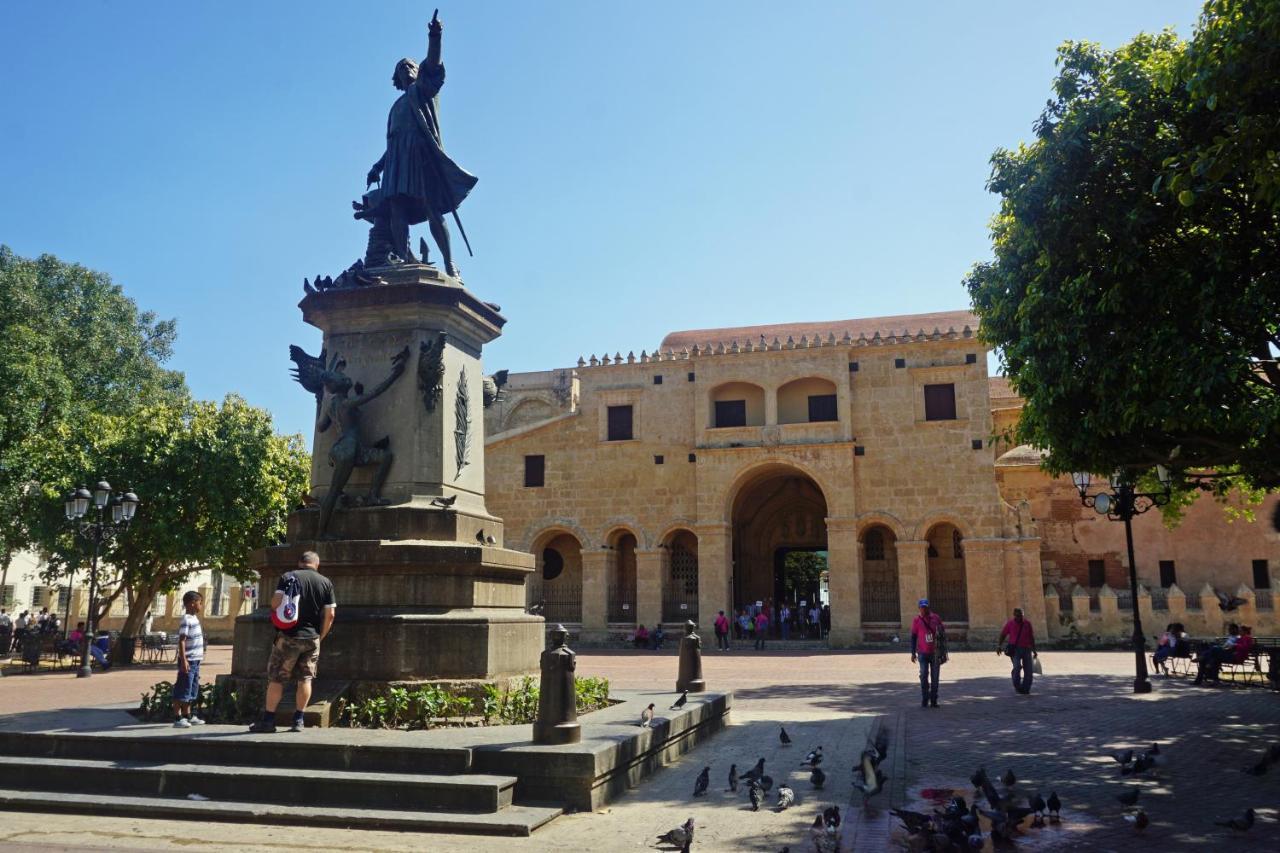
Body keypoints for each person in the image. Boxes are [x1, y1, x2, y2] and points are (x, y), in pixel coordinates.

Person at [364, 12, 477, 276]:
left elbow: (434, 65)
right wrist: (378, 167)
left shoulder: (423, 91)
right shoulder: (395, 107)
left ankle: (449, 262)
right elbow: (393, 144)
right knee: (396, 208)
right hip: (397, 162)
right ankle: (402, 258)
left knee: (432, 208)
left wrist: (434, 37)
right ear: (396, 77)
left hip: (420, 157)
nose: (406, 69)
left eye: (410, 66)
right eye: (401, 67)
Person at [249, 551, 337, 733]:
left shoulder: (289, 576)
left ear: (300, 562)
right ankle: (298, 720)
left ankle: (268, 721)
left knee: (277, 678)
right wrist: (320, 636)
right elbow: (330, 615)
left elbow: (275, 603)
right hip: (312, 637)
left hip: (288, 636)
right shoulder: (325, 582)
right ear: (317, 564)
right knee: (305, 679)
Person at [172, 591, 206, 728]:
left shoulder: (194, 618)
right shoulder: (186, 619)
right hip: (189, 660)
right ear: (192, 603)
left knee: (191, 688)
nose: (201, 606)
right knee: (182, 688)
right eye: (200, 603)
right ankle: (177, 718)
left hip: (196, 660)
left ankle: (188, 716)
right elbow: (182, 641)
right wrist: (184, 660)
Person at [910, 598, 946, 708]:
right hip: (922, 652)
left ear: (928, 607)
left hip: (935, 652)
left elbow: (942, 635)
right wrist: (912, 652)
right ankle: (925, 698)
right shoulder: (917, 620)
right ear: (919, 608)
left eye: (925, 607)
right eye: (922, 607)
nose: (924, 609)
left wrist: (943, 651)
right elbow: (913, 636)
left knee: (935, 677)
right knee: (924, 675)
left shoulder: (936, 618)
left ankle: (934, 699)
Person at [997, 607, 1038, 694]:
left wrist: (1034, 650)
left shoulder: (1027, 624)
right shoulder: (1010, 624)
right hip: (1015, 650)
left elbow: (1031, 637)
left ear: (1023, 615)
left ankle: (1026, 689)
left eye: (1021, 615)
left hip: (1027, 649)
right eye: (1018, 616)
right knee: (1017, 667)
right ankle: (1017, 686)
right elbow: (1003, 634)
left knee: (1029, 670)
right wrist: (999, 646)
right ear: (1014, 615)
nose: (1020, 618)